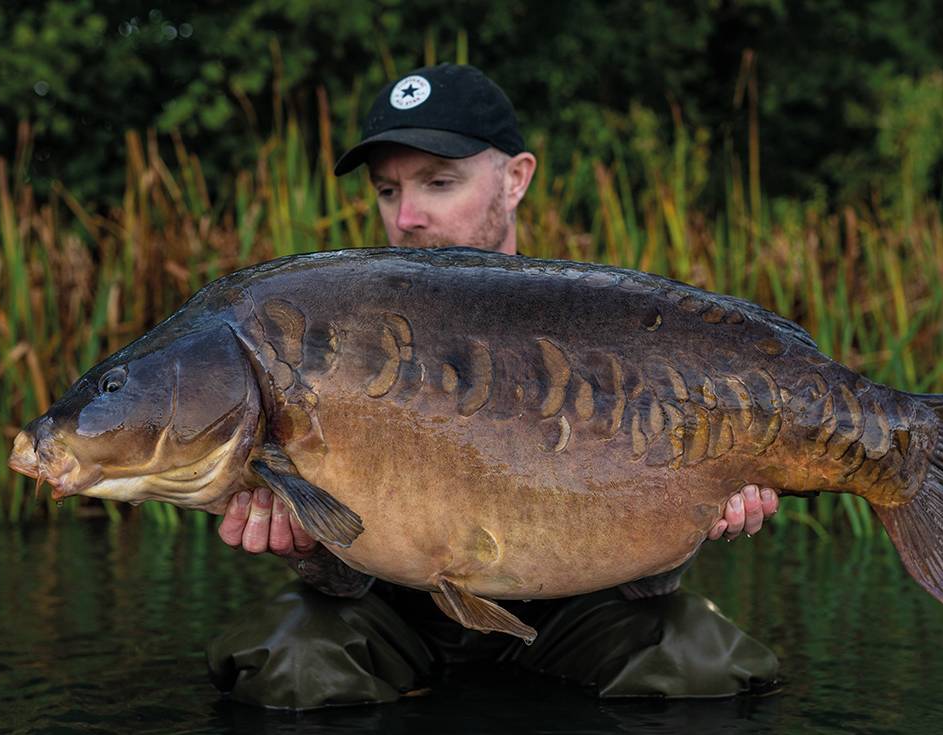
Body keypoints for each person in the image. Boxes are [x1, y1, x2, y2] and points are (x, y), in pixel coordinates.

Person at [208, 64, 782, 709]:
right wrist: (304, 548)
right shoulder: (334, 335)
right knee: (289, 661)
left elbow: (647, 586)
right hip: (397, 612)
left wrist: (707, 510)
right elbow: (341, 584)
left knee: (701, 660)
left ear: (516, 179)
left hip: (576, 607)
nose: (408, 217)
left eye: (439, 182)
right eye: (388, 191)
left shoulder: (611, 321)